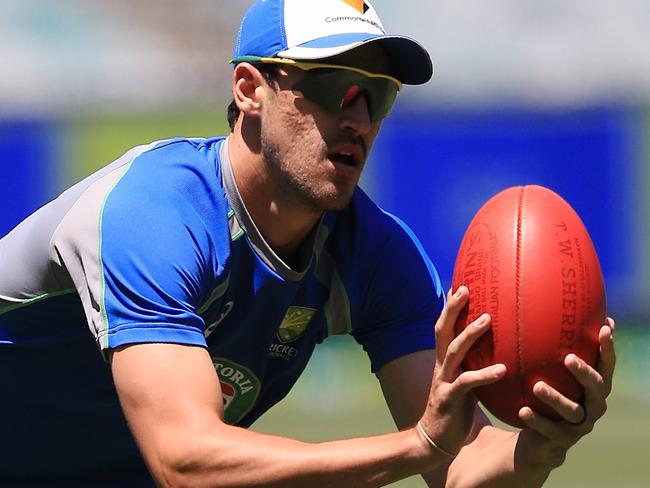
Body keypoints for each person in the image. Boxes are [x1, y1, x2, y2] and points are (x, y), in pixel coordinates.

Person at [0, 0, 616, 486]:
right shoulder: (156, 213)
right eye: (334, 87)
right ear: (248, 89)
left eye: (378, 96)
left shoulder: (375, 254)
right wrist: (416, 445)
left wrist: (541, 449)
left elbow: (460, 468)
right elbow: (185, 460)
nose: (360, 120)